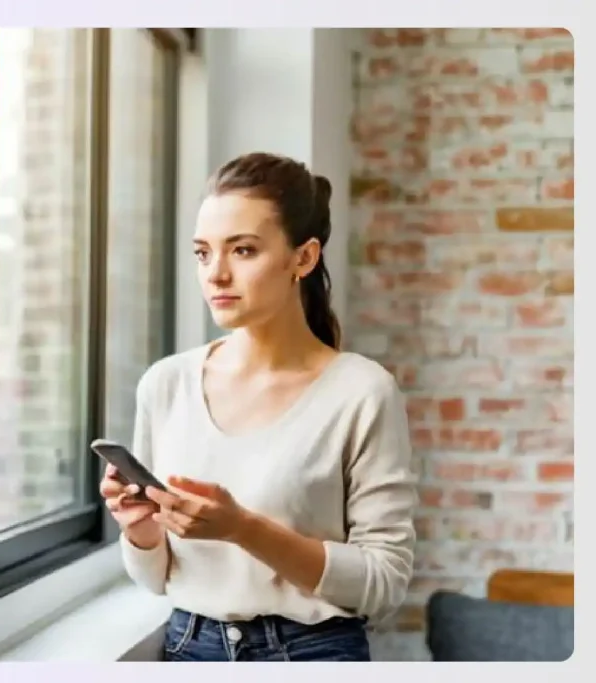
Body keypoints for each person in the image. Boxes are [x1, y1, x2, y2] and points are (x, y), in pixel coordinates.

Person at [99, 152, 417, 662]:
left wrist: (242, 528)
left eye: (243, 250)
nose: (216, 274)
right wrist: (141, 528)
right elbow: (157, 580)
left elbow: (383, 582)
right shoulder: (165, 384)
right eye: (203, 253)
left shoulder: (361, 391)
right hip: (189, 649)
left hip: (314, 654)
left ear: (304, 258)